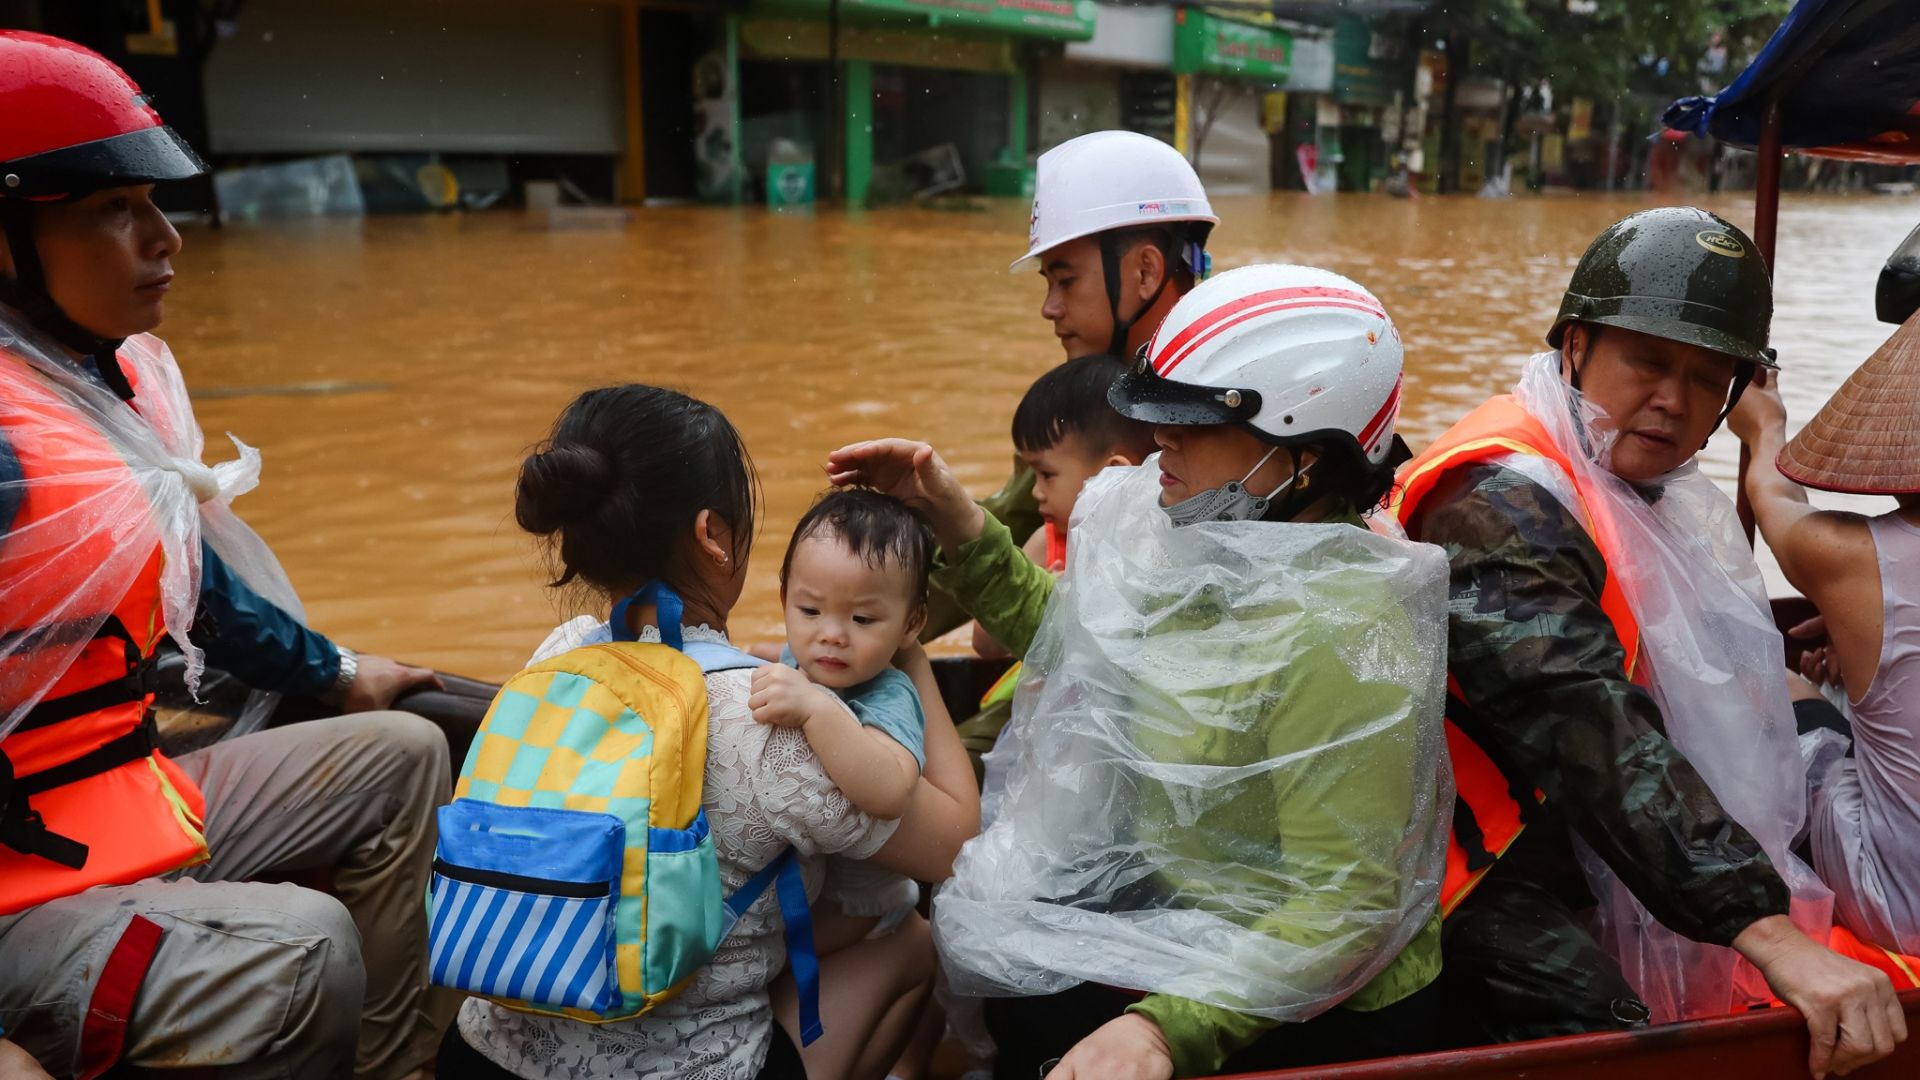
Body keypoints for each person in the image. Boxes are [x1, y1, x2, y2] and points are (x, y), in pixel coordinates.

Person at [829, 265, 1452, 1080]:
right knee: (1015, 986)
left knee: (1039, 1015)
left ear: (1302, 454)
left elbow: (1345, 910)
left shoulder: (1344, 632)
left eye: (1191, 424)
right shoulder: (1212, 537)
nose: (1163, 441)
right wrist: (958, 519)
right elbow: (1081, 638)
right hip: (1195, 908)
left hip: (1314, 994)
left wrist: (1163, 1031)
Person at [0, 31, 449, 1080]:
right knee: (299, 950)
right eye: (115, 210)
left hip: (109, 793)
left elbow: (193, 591)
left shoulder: (94, 381)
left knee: (407, 755)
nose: (167, 239)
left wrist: (336, 673)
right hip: (22, 883)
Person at [1388, 207, 1905, 1076]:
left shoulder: (1631, 483)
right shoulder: (1502, 498)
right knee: (1610, 1035)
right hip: (1456, 861)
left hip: (1549, 814)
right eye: (1648, 361)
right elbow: (1588, 726)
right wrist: (1770, 935)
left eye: (1709, 378)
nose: (1674, 400)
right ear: (1577, 345)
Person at [443, 385, 978, 1080]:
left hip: (479, 1057)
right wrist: (904, 648)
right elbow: (956, 846)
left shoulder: (556, 653)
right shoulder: (775, 724)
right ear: (712, 535)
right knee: (911, 939)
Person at [926, 132, 1216, 640]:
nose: (1049, 308)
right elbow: (996, 533)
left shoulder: (1222, 414)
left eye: (1066, 281)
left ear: (1145, 271)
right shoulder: (1084, 405)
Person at [1731, 308, 1920, 957]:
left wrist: (1764, 423)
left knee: (1784, 685)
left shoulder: (1852, 558)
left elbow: (1775, 496)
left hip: (1900, 908)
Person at [754, 488, 945, 936]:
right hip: (810, 887)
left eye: (862, 620)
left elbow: (890, 790)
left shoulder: (889, 694)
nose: (832, 635)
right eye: (810, 610)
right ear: (784, 598)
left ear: (911, 624)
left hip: (866, 909)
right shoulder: (797, 662)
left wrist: (816, 709)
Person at [965, 357, 1158, 772]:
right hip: (1039, 729)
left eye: (1046, 475)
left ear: (1111, 476)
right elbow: (985, 644)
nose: (1035, 493)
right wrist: (1038, 588)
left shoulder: (1150, 550)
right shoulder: (1048, 541)